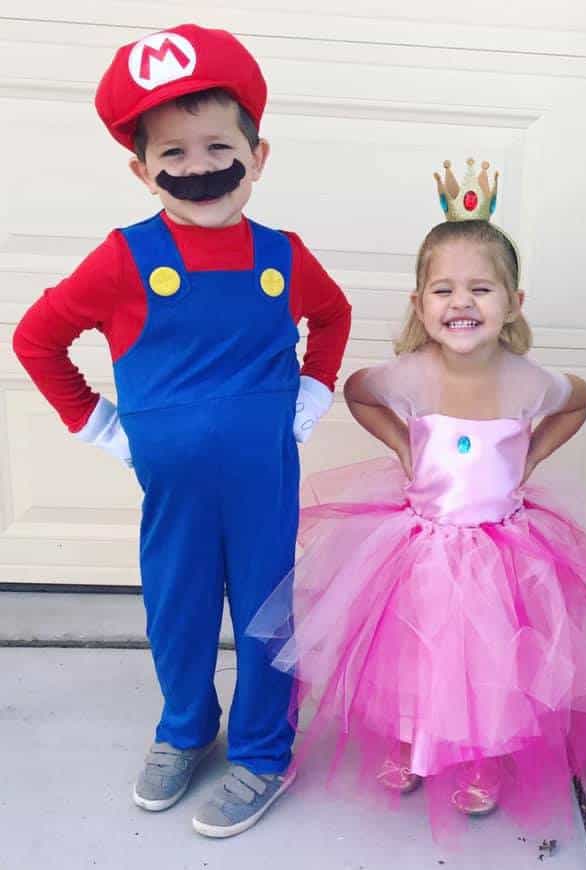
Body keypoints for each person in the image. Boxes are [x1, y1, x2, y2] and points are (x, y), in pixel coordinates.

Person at [12, 24, 351, 837]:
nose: (200, 168)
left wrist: (312, 393)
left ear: (257, 153)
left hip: (264, 481)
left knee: (269, 615)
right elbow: (35, 338)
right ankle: (186, 727)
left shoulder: (283, 255)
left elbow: (332, 315)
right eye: (172, 154)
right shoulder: (123, 259)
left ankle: (266, 750)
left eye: (217, 145)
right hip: (173, 493)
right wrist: (99, 424)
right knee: (179, 609)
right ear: (141, 169)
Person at [248, 158, 586, 840]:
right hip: (419, 548)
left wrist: (533, 455)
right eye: (445, 290)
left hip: (503, 550)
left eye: (482, 289)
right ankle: (412, 737)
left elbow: (580, 401)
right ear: (420, 305)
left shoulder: (528, 382)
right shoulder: (408, 375)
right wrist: (402, 446)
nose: (463, 303)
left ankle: (480, 751)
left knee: (492, 656)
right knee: (415, 651)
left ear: (513, 304)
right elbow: (357, 391)